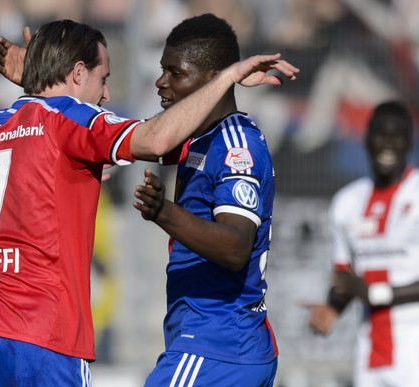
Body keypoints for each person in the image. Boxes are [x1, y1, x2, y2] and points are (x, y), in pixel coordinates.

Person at [0, 19, 299, 386]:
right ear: (78, 73)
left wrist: (41, 82)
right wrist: (228, 78)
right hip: (43, 335)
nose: (106, 96)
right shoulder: (70, 118)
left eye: (173, 72)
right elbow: (154, 140)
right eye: (103, 79)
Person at [132, 14, 279, 386]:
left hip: (217, 345)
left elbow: (235, 247)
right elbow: (144, 140)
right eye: (161, 70)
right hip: (217, 343)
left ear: (213, 80)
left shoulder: (234, 147)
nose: (160, 82)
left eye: (175, 73)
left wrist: (163, 211)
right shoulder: (198, 137)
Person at [308, 100, 419, 387]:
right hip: (369, 360)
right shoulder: (347, 202)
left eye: (397, 136)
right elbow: (345, 278)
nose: (387, 144)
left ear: (409, 141)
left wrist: (378, 294)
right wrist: (332, 308)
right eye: (380, 134)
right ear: (366, 139)